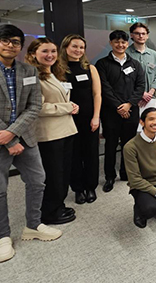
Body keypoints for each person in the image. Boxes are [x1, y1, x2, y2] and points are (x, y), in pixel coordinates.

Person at [0, 24, 62, 263]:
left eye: (15, 42)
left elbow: (34, 106)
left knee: (37, 181)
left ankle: (33, 225)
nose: (10, 45)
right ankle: (2, 237)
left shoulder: (28, 71)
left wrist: (13, 135)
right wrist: (8, 139)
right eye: (4, 40)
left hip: (24, 137)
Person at [25, 38, 78, 225]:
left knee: (63, 172)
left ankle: (58, 205)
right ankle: (49, 211)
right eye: (45, 51)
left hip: (66, 130)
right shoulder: (33, 76)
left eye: (53, 51)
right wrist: (67, 107)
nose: (50, 55)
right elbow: (37, 107)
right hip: (49, 134)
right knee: (53, 174)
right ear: (33, 54)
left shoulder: (55, 73)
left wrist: (69, 107)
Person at [95, 30, 145, 192]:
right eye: (116, 42)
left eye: (123, 42)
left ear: (127, 43)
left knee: (129, 144)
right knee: (110, 145)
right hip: (111, 112)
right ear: (111, 43)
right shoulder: (102, 64)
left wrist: (129, 105)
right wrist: (119, 106)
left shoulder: (135, 64)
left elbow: (140, 87)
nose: (120, 45)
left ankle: (125, 172)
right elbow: (104, 88)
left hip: (131, 111)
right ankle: (109, 176)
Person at [59, 34, 102, 205]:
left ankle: (90, 187)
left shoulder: (90, 68)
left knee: (91, 153)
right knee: (73, 155)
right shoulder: (58, 69)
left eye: (81, 47)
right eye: (74, 46)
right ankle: (78, 189)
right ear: (66, 48)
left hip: (90, 118)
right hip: (68, 119)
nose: (78, 50)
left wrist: (96, 117)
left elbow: (97, 94)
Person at [126, 23, 156, 108]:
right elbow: (125, 78)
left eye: (143, 33)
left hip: (151, 98)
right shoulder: (126, 54)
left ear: (147, 36)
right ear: (131, 35)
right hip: (131, 98)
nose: (141, 36)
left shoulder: (154, 55)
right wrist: (141, 93)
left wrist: (151, 92)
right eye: (137, 33)